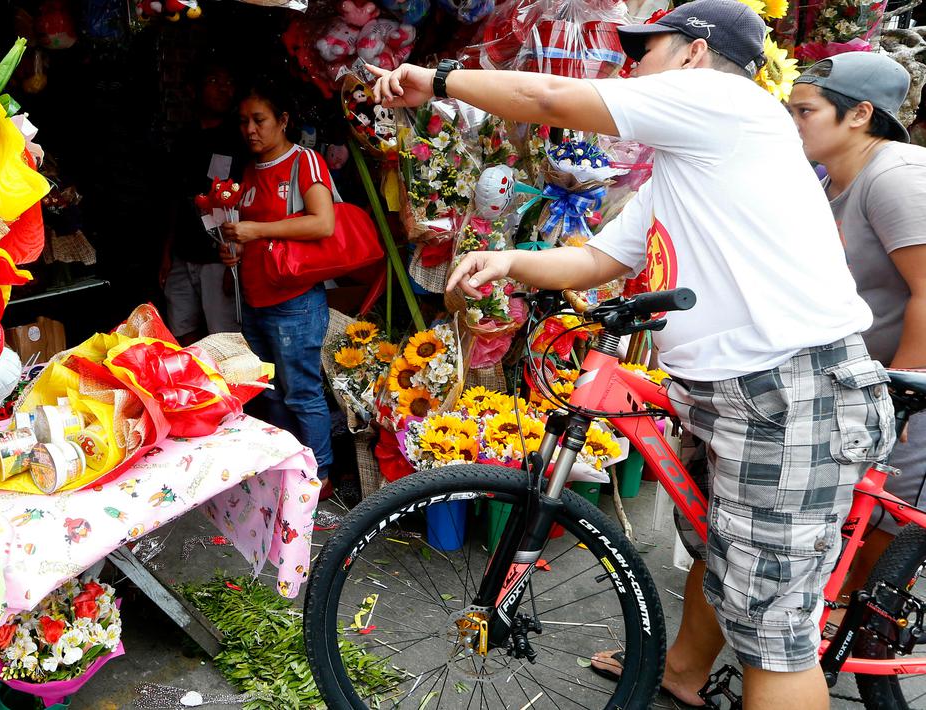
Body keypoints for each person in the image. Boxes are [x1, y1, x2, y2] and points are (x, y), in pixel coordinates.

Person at [371, 0, 893, 707]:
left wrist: (436, 82)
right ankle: (680, 675)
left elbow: (548, 96)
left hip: (786, 389)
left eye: (645, 48)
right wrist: (506, 262)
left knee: (774, 637)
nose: (630, 64)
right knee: (723, 562)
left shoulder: (728, 101)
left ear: (693, 54)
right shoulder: (685, 168)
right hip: (731, 391)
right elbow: (594, 260)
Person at [789, 52, 926, 618]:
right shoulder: (832, 177)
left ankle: (857, 636)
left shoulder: (895, 177)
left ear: (859, 114)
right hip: (867, 384)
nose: (792, 122)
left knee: (887, 518)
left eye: (805, 110)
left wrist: (902, 395)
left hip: (908, 391)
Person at [218, 82, 335, 483]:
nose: (250, 129)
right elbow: (250, 235)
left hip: (295, 301)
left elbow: (323, 222)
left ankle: (320, 475)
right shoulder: (249, 171)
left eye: (259, 120)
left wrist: (255, 231)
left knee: (301, 392)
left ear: (283, 121)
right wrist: (235, 250)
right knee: (270, 391)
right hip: (254, 300)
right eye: (243, 121)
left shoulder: (305, 162)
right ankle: (286, 469)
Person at [161, 63, 244, 344]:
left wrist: (233, 266)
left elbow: (243, 204)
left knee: (224, 338)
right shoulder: (186, 137)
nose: (224, 88)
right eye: (214, 80)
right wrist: (167, 253)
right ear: (194, 89)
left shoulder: (239, 138)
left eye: (229, 82)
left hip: (218, 258)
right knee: (181, 330)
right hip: (184, 255)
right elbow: (175, 197)